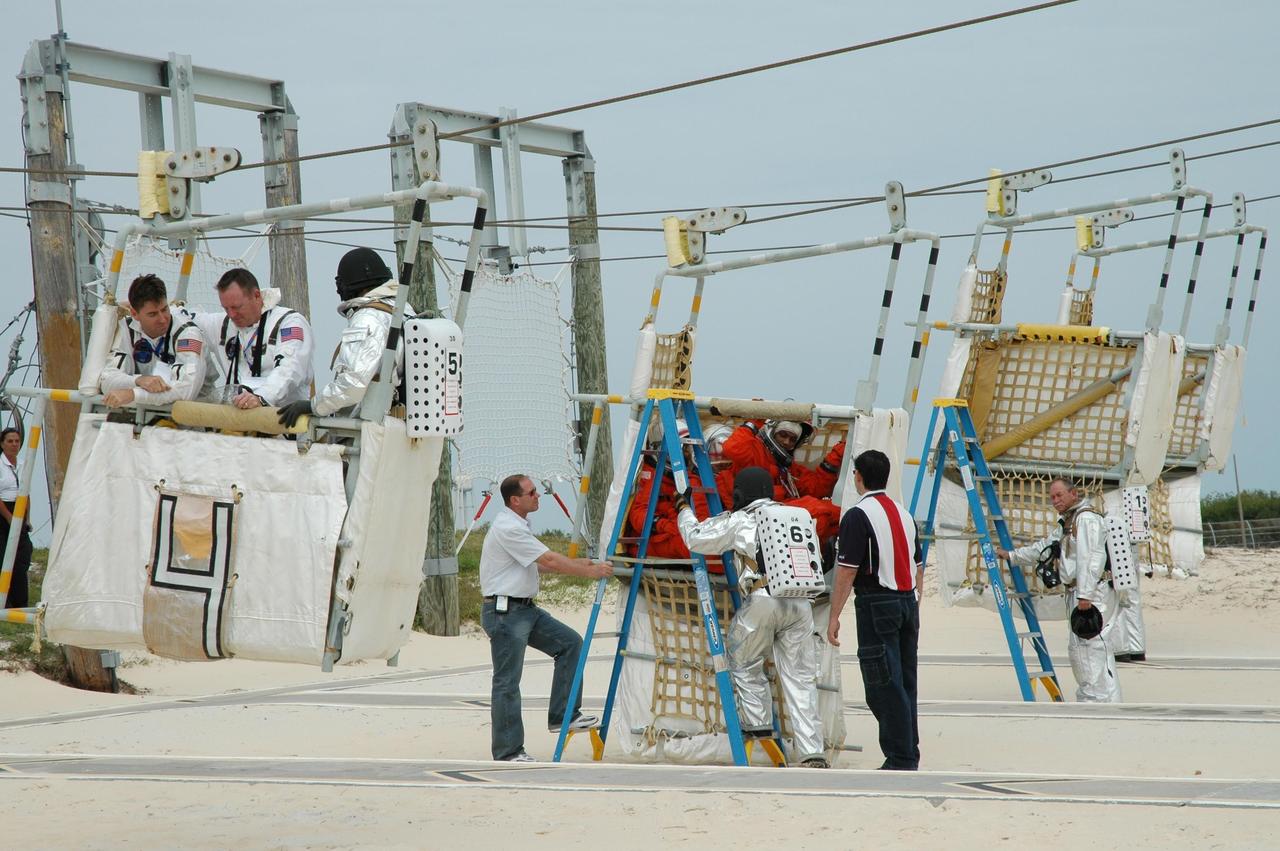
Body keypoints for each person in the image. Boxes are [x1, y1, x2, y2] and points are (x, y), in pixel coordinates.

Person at [677, 466, 828, 769]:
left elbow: (695, 538)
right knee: (800, 679)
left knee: (743, 659)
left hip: (762, 598)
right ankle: (812, 751)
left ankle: (757, 722)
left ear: (740, 494)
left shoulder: (740, 519)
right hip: (800, 603)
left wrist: (683, 509)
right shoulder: (794, 515)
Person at [480, 473, 614, 762]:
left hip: (525, 610)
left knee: (569, 643)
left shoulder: (519, 525)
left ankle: (563, 715)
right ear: (515, 500)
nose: (537, 496)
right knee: (507, 682)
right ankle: (508, 751)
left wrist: (580, 564)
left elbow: (541, 564)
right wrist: (589, 572)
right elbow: (549, 560)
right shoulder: (508, 528)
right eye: (531, 493)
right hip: (505, 613)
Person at [828, 449, 922, 771]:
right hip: (908, 601)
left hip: (876, 602)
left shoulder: (858, 515)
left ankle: (900, 758)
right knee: (906, 680)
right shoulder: (904, 513)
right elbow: (918, 564)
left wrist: (834, 615)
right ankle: (909, 751)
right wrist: (914, 602)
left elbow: (846, 569)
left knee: (883, 682)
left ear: (858, 476)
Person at [996, 478, 1122, 703]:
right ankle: (1104, 700)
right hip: (1082, 593)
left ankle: (1095, 701)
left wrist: (1085, 596)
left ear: (1073, 494)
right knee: (1092, 649)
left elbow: (1092, 558)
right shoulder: (1069, 523)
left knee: (1087, 650)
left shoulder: (1086, 520)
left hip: (1092, 594)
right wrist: (1013, 556)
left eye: (1059, 495)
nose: (1055, 501)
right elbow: (1042, 549)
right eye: (1052, 497)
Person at [278, 248, 413, 427]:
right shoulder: (403, 312)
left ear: (348, 286)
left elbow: (353, 384)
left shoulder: (368, 318)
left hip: (376, 432)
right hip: (403, 427)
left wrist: (312, 405)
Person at [194, 268, 313, 410]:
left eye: (236, 307)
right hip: (236, 425)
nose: (231, 314)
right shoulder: (224, 324)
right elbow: (182, 320)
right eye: (226, 308)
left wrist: (262, 397)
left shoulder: (288, 323)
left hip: (282, 426)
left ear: (257, 296)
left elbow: (291, 369)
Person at [98, 274, 217, 408]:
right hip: (147, 414)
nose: (162, 319)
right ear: (135, 314)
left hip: (194, 416)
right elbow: (106, 379)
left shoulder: (187, 334)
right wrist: (138, 380)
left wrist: (133, 394)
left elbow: (186, 390)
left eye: (164, 309)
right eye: (153, 314)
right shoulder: (127, 330)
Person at [721, 419, 844, 540]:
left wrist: (834, 458)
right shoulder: (755, 450)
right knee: (819, 512)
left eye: (792, 439)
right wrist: (754, 420)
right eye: (783, 435)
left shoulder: (786, 466)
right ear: (772, 431)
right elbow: (733, 448)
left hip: (776, 516)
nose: (786, 442)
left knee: (841, 515)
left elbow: (816, 488)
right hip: (754, 516)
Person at [0, 427, 33, 609]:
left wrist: (26, 518)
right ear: (2, 444)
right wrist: (9, 517)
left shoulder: (22, 464)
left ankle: (21, 602)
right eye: (10, 441)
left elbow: (26, 493)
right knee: (4, 556)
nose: (14, 445)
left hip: (19, 510)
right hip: (4, 511)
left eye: (17, 441)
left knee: (22, 557)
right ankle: (5, 601)